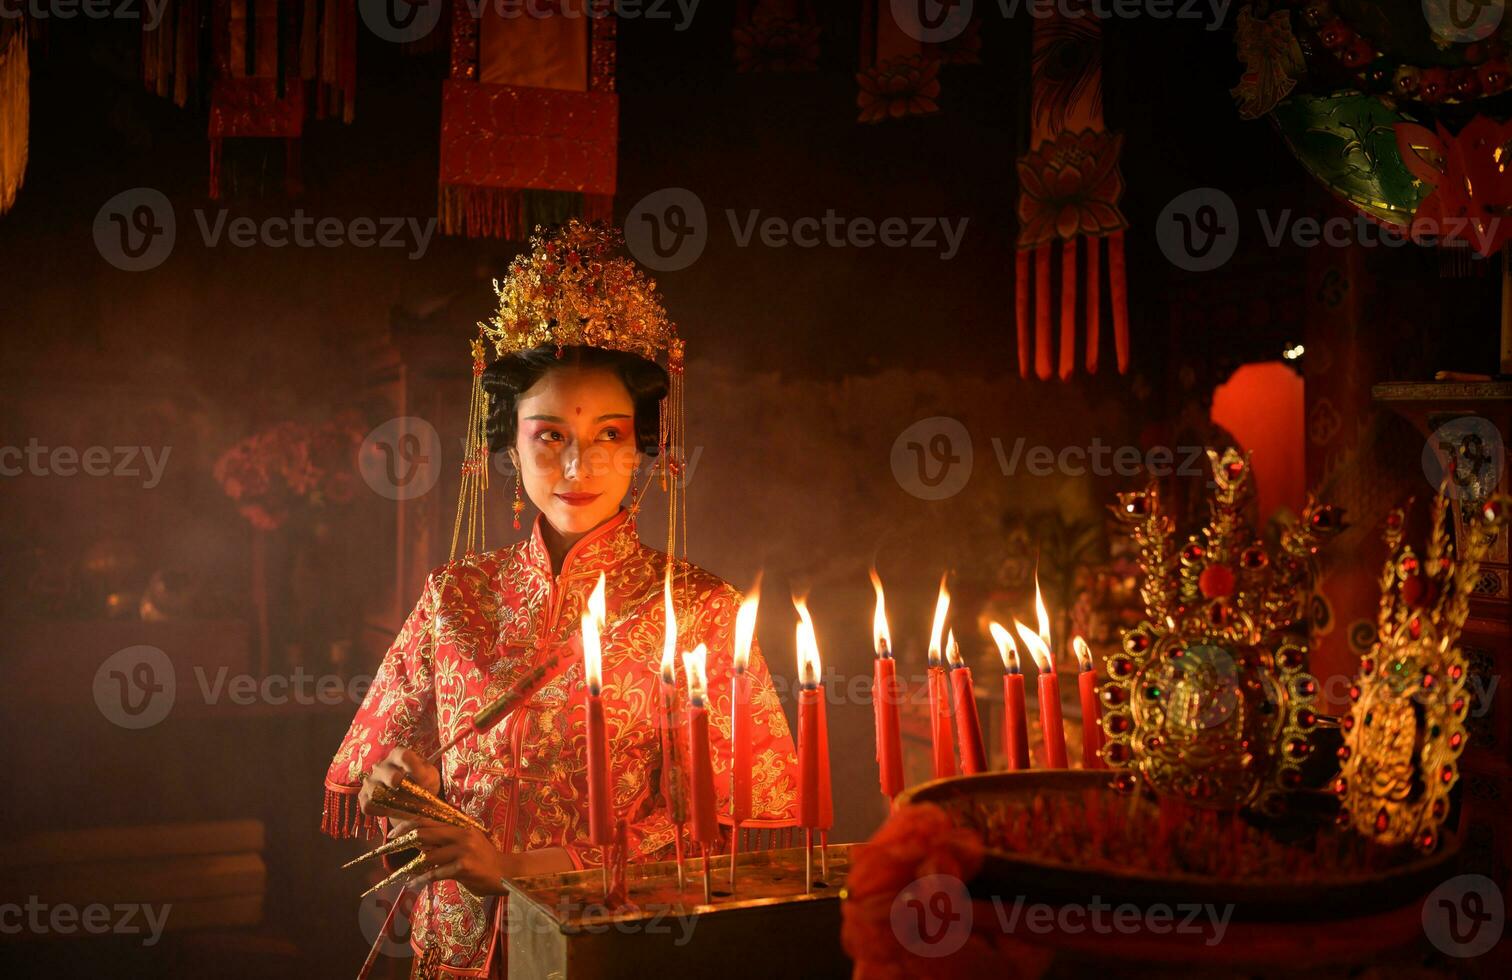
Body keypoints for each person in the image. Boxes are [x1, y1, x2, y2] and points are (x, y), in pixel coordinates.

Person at [321, 222, 800, 976]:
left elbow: (726, 837)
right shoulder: (456, 596)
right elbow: (381, 758)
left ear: (643, 446)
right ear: (507, 447)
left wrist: (519, 864)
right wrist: (400, 781)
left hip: (611, 947)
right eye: (549, 436)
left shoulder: (702, 610)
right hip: (454, 947)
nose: (579, 464)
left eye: (609, 434)